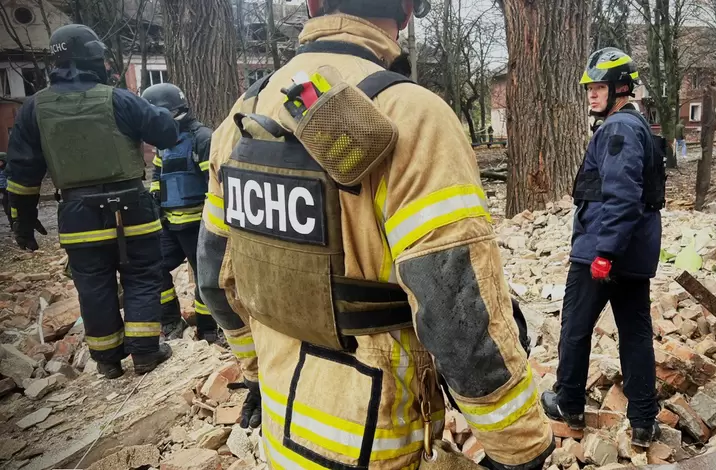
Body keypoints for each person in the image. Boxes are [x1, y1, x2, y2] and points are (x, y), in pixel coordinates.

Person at [197, 0, 554, 467]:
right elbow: (454, 307)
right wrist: (519, 444)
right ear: (407, 11)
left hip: (283, 433)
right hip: (379, 441)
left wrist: (258, 372)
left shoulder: (242, 117)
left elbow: (215, 278)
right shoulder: (413, 115)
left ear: (312, 4)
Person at [5, 24, 179, 380]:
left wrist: (21, 222)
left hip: (77, 213)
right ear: (93, 57)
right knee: (143, 275)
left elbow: (22, 173)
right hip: (132, 208)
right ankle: (146, 352)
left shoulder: (34, 108)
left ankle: (107, 361)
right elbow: (166, 132)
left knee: (93, 284)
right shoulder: (117, 98)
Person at [540, 47, 666, 448]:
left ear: (621, 88)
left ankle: (569, 403)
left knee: (575, 328)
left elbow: (622, 195)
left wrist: (604, 253)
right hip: (633, 252)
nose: (592, 94)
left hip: (603, 252)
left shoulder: (618, 130)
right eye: (590, 87)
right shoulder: (634, 125)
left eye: (599, 87)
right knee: (635, 334)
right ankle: (644, 423)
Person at [142, 83, 221, 343]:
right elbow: (158, 175)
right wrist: (155, 197)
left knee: (205, 278)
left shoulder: (203, 139)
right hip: (169, 224)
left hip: (199, 225)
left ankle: (209, 329)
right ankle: (171, 320)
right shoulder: (164, 143)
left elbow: (215, 184)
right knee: (153, 268)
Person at [0, 153, 13, 230]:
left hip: (10, 190)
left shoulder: (8, 168)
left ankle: (14, 225)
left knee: (10, 209)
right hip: (3, 191)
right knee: (7, 210)